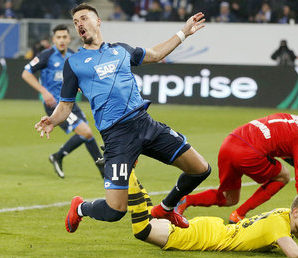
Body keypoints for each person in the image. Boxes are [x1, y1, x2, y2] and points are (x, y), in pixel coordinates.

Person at [34, 3, 210, 234]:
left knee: (201, 169)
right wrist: (53, 120)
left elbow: (156, 54)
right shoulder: (74, 64)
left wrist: (183, 33)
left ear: (98, 22)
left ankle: (166, 208)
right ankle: (80, 208)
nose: (79, 24)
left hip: (145, 124)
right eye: (76, 22)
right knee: (115, 211)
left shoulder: (121, 51)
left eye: (84, 18)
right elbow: (66, 105)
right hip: (117, 137)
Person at [128, 177, 298, 258]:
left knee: (150, 219)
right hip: (203, 237)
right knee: (143, 230)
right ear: (296, 212)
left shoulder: (285, 216)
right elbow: (294, 252)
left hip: (213, 229)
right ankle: (126, 174)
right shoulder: (279, 224)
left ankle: (130, 174)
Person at [175, 104, 298, 224]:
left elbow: (277, 147)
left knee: (229, 198)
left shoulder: (289, 119)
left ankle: (186, 200)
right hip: (249, 154)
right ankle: (239, 214)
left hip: (229, 144)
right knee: (283, 176)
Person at [23, 24, 104, 179]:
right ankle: (59, 156)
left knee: (88, 135)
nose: (61, 40)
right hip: (55, 107)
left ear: (69, 39)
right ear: (54, 39)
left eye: (64, 37)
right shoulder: (46, 55)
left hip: (70, 103)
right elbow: (26, 73)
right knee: (85, 132)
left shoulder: (73, 56)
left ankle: (102, 169)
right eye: (58, 37)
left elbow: (79, 76)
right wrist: (44, 92)